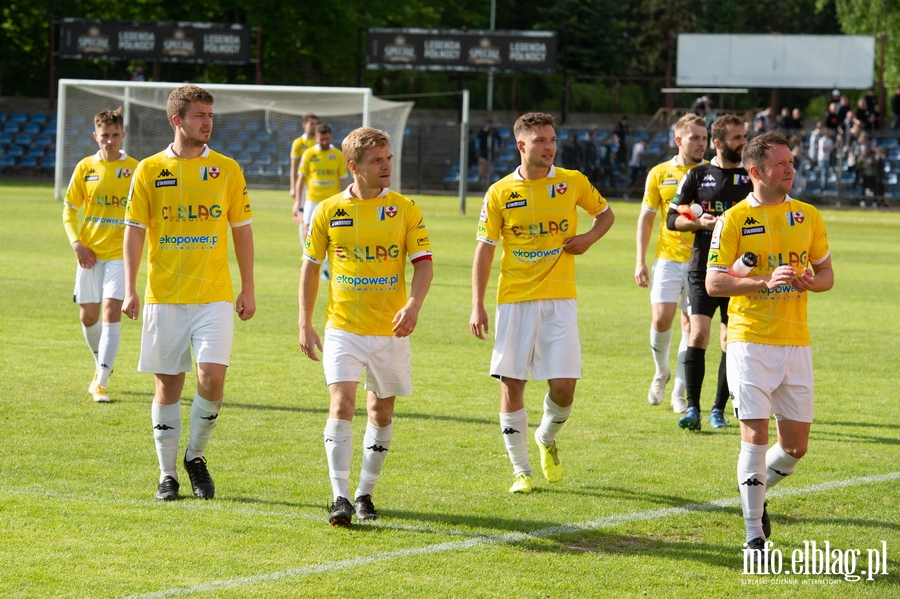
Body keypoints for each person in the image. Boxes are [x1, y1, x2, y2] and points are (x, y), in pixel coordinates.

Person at [122, 84, 256, 501]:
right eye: (200, 115)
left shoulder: (228, 170)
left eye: (211, 115)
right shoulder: (148, 170)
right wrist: (129, 288)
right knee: (168, 387)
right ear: (178, 120)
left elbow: (242, 231)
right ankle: (168, 476)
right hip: (164, 295)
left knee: (212, 380)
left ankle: (194, 456)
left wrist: (248, 286)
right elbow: (134, 232)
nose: (208, 122)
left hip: (215, 294)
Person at [470, 112, 615, 494]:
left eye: (552, 139)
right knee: (511, 384)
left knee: (564, 388)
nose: (549, 146)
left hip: (560, 299)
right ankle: (521, 471)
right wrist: (477, 304)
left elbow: (606, 214)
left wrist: (588, 238)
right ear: (522, 146)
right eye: (540, 141)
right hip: (514, 299)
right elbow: (484, 251)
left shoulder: (572, 182)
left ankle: (547, 436)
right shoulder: (499, 192)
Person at [705, 130, 833, 556]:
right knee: (755, 436)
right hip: (750, 342)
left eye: (792, 162)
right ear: (756, 170)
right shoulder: (734, 220)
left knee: (795, 447)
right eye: (782, 164)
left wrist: (812, 282)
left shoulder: (809, 216)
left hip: (796, 342)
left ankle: (754, 492)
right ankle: (752, 534)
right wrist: (763, 280)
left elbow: (827, 276)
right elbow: (714, 282)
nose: (790, 169)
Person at [298, 127, 433, 525]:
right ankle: (339, 497)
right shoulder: (327, 210)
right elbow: (310, 269)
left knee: (381, 411)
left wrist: (413, 304)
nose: (386, 165)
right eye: (378, 160)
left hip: (390, 328)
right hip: (343, 326)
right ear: (354, 167)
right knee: (341, 402)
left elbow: (423, 263)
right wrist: (304, 323)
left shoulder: (405, 208)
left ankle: (364, 494)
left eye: (388, 158)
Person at [666, 114, 752, 431]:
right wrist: (698, 223)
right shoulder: (698, 176)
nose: (742, 142)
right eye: (736, 138)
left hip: (739, 271)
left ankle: (718, 409)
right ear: (718, 143)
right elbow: (671, 219)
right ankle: (693, 409)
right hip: (702, 267)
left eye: (744, 136)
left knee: (730, 340)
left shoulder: (751, 177)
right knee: (699, 334)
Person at [62, 107, 139, 403]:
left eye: (115, 135)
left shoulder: (135, 169)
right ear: (96, 136)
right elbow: (69, 210)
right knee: (88, 316)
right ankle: (100, 364)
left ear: (123, 135)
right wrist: (77, 244)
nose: (110, 141)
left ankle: (101, 381)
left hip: (121, 255)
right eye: (104, 135)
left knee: (110, 312)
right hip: (89, 255)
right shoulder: (84, 168)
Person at [635, 114, 707, 412]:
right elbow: (647, 218)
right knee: (661, 319)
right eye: (695, 138)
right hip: (667, 258)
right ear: (679, 140)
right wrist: (640, 260)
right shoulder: (659, 173)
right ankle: (661, 371)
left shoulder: (711, 173)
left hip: (700, 261)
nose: (701, 144)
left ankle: (678, 391)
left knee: (691, 325)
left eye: (704, 138)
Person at [294, 123, 349, 279]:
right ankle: (310, 261)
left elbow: (343, 179)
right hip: (312, 200)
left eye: (327, 138)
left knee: (333, 233)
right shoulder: (309, 154)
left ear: (330, 137)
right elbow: (301, 180)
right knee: (307, 230)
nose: (324, 141)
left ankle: (326, 266)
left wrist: (345, 198)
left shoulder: (337, 155)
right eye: (321, 139)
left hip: (331, 201)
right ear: (316, 138)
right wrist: (298, 200)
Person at [289, 113, 318, 234]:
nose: (314, 127)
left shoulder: (320, 142)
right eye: (311, 124)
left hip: (317, 185)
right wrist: (293, 187)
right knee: (303, 218)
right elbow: (294, 167)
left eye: (316, 124)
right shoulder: (298, 143)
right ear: (304, 125)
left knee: (316, 217)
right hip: (303, 186)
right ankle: (305, 249)